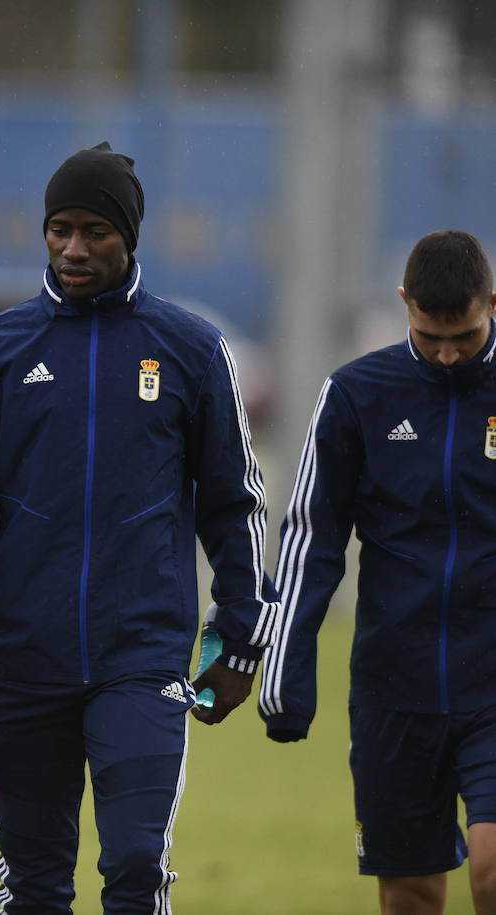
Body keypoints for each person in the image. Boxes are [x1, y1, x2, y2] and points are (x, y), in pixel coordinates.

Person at [0, 142, 279, 913]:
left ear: (129, 237)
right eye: (60, 228)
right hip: (22, 665)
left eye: (95, 231)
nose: (74, 248)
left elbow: (234, 503)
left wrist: (239, 633)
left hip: (141, 661)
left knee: (136, 865)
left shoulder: (191, 349)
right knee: (36, 886)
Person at [260, 229, 496, 915]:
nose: (447, 353)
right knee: (412, 897)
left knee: (491, 870)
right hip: (395, 687)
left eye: (467, 336)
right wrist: (286, 666)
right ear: (404, 304)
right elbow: (312, 537)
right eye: (429, 337)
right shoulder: (359, 395)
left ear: (493, 305)